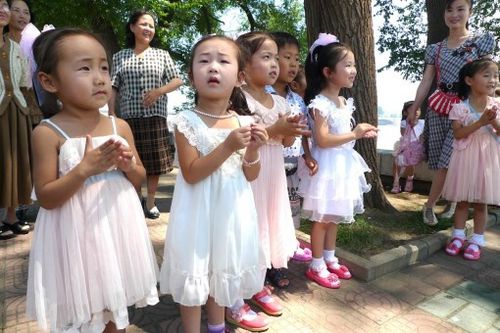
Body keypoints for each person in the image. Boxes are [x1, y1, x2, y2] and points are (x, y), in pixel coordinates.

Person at [26, 28, 160, 332]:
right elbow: (46, 196)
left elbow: (138, 177)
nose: (100, 77)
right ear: (49, 81)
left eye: (103, 67)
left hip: (116, 228)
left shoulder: (120, 126)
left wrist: (128, 165)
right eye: (84, 68)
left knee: (115, 306)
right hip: (76, 234)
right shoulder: (47, 133)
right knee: (87, 310)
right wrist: (83, 170)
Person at [159, 34, 268, 333]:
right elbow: (191, 172)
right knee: (195, 270)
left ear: (240, 77)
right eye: (204, 61)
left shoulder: (245, 122)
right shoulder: (185, 121)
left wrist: (254, 150)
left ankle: (218, 326)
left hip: (231, 211)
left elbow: (250, 174)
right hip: (197, 211)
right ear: (192, 77)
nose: (213, 68)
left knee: (221, 269)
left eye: (223, 61)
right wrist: (229, 147)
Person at [224, 31, 310, 331]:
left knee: (267, 226)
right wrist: (276, 128)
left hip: (272, 176)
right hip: (249, 176)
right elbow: (248, 138)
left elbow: (285, 142)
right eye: (266, 57)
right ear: (243, 66)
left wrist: (291, 130)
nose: (274, 64)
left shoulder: (280, 101)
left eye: (276, 57)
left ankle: (256, 283)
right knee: (245, 230)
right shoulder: (237, 98)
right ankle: (234, 299)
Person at [298, 33, 378, 289]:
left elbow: (341, 136)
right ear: (328, 72)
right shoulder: (319, 103)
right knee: (321, 219)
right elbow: (322, 139)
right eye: (347, 65)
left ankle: (330, 257)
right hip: (327, 166)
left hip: (342, 165)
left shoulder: (343, 100)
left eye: (353, 65)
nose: (353, 70)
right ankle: (316, 263)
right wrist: (354, 133)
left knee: (333, 216)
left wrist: (359, 134)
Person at [406, 0, 495, 226]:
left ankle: (428, 207)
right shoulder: (435, 49)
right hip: (437, 108)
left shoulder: (480, 43)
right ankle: (453, 201)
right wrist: (415, 107)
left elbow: (489, 75)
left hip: (466, 110)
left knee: (449, 159)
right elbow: (427, 80)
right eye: (449, 9)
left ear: (469, 12)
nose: (454, 14)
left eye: (460, 9)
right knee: (437, 160)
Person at [110, 9, 182, 219]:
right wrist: (112, 113)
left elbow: (177, 80)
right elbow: (113, 86)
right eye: (143, 24)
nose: (148, 29)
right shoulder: (120, 56)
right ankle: (134, 198)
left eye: (151, 26)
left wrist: (159, 90)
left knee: (154, 163)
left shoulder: (162, 55)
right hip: (128, 119)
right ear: (132, 27)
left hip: (155, 116)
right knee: (131, 160)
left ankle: (150, 202)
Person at [266, 31, 316, 270]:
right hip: (270, 164)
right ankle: (266, 265)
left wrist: (307, 155)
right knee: (270, 216)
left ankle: (282, 258)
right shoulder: (262, 94)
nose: (294, 64)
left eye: (297, 59)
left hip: (294, 163)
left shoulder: (297, 99)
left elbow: (303, 131)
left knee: (289, 212)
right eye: (287, 57)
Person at [442, 58, 499, 261]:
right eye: (486, 75)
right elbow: (458, 134)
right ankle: (458, 236)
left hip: (487, 159)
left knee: (481, 202)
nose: (493, 80)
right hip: (466, 158)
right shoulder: (460, 107)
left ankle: (477, 240)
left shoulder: (497, 105)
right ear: (469, 80)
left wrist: (493, 122)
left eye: (495, 75)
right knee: (463, 201)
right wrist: (481, 121)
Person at [0, 0, 31, 238]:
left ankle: (11, 218)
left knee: (14, 162)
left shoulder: (15, 47)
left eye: (4, 6)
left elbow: (23, 82)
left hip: (16, 109)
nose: (3, 10)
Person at [6, 0, 42, 126]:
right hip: (7, 106)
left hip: (34, 105)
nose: (22, 16)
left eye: (26, 12)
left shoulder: (36, 40)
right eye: (16, 10)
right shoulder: (3, 42)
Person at [391, 101, 425, 193]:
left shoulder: (423, 123)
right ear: (406, 113)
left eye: (418, 109)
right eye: (413, 110)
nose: (416, 111)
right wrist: (410, 123)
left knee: (410, 162)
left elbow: (422, 137)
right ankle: (396, 182)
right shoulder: (404, 122)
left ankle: (409, 180)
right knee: (396, 161)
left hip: (416, 147)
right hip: (405, 145)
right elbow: (403, 133)